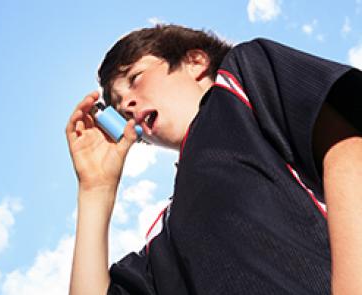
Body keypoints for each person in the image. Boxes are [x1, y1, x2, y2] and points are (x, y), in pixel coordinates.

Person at [66, 24, 362, 294]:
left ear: (196, 62)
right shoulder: (166, 233)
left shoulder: (242, 77)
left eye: (135, 78)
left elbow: (346, 152)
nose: (127, 106)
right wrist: (95, 189)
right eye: (119, 108)